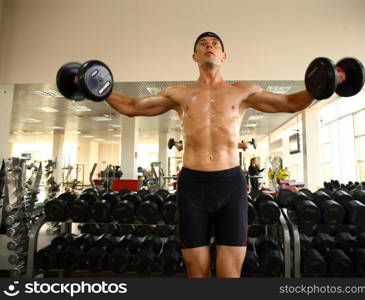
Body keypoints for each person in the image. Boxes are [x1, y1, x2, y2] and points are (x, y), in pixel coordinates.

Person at [104, 32, 344, 278]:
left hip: (230, 185)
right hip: (192, 186)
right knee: (196, 272)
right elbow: (133, 107)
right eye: (203, 44)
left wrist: (325, 84)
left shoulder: (242, 91)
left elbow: (290, 103)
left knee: (229, 273)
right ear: (194, 56)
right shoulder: (178, 93)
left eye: (215, 44)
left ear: (224, 56)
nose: (209, 46)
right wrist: (101, 89)